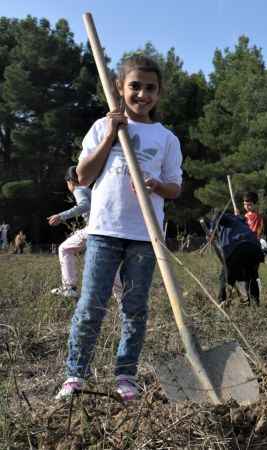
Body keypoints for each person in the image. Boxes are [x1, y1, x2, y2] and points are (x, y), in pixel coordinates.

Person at [55, 55, 182, 402]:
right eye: (135, 86)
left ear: (159, 92)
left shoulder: (166, 138)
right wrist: (112, 132)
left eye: (150, 88)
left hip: (145, 236)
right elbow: (83, 176)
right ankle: (75, 375)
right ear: (119, 89)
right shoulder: (102, 127)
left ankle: (125, 375)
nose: (143, 94)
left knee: (135, 307)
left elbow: (175, 187)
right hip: (104, 231)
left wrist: (155, 184)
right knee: (91, 304)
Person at [47, 167, 92, 298]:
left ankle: (69, 288)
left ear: (70, 181)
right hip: (105, 229)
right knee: (108, 266)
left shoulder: (79, 189)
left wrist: (61, 216)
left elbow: (84, 206)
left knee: (64, 249)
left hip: (94, 229)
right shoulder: (89, 190)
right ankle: (124, 301)